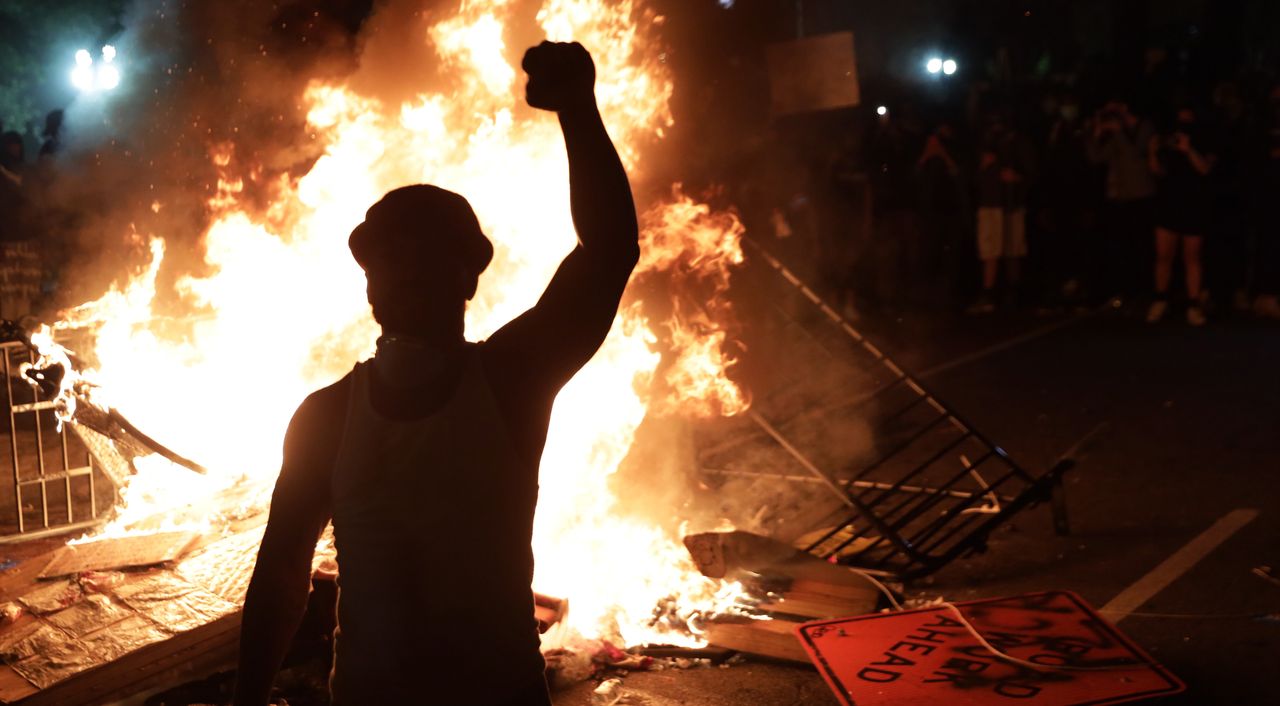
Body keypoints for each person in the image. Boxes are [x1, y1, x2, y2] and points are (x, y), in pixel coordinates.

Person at [232, 41, 639, 706]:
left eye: (426, 256)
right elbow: (281, 572)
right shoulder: (327, 417)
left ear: (469, 275)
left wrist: (577, 110)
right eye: (391, 259)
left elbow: (610, 251)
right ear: (370, 285)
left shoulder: (510, 381)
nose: (406, 272)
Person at [1147, 106, 1213, 325]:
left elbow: (1205, 169)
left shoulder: (1204, 138)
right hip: (1169, 202)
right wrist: (1152, 151)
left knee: (1192, 257)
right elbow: (1158, 171)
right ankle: (1160, 299)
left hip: (1194, 204)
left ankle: (1193, 304)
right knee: (1163, 255)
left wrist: (1189, 150)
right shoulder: (1168, 139)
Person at [1087, 100, 1156, 304]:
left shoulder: (1145, 128)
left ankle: (1145, 291)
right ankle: (1126, 290)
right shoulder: (1118, 134)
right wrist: (1095, 133)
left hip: (1142, 196)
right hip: (1120, 198)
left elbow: (1134, 154)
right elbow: (1096, 157)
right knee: (1122, 247)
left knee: (1142, 247)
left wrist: (1118, 132)